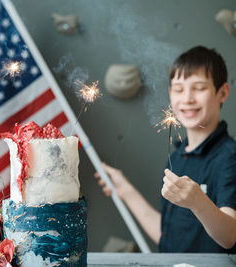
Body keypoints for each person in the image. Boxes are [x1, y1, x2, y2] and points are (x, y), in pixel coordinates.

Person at [96, 46, 236, 253]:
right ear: (171, 93)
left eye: (199, 88)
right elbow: (168, 238)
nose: (187, 99)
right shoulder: (177, 158)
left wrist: (199, 202)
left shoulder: (229, 157)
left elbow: (229, 236)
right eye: (179, 89)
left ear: (222, 93)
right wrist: (125, 191)